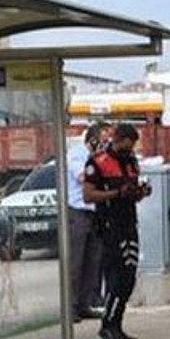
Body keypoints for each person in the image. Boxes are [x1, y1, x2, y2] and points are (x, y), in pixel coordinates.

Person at [83, 123, 151, 339]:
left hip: (129, 222)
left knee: (128, 278)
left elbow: (132, 192)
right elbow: (88, 195)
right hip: (109, 225)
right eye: (125, 145)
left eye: (131, 146)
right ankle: (107, 325)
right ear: (117, 139)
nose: (128, 149)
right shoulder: (98, 163)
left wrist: (139, 192)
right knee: (116, 277)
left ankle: (117, 323)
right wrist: (116, 193)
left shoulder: (131, 162)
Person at [67, 122, 109, 323]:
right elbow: (84, 177)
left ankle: (85, 303)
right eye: (102, 141)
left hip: (95, 213)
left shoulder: (102, 158)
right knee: (76, 261)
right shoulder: (77, 154)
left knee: (94, 261)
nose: (104, 145)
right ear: (91, 141)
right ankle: (71, 305)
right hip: (78, 212)